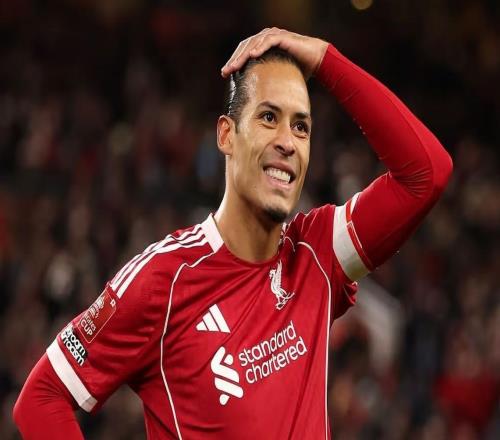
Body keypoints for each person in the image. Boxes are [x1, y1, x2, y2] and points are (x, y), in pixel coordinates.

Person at [13, 28, 452, 439]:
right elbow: (41, 398)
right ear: (226, 135)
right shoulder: (163, 280)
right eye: (268, 117)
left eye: (301, 126)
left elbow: (426, 174)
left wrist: (324, 58)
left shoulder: (317, 253)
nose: (288, 141)